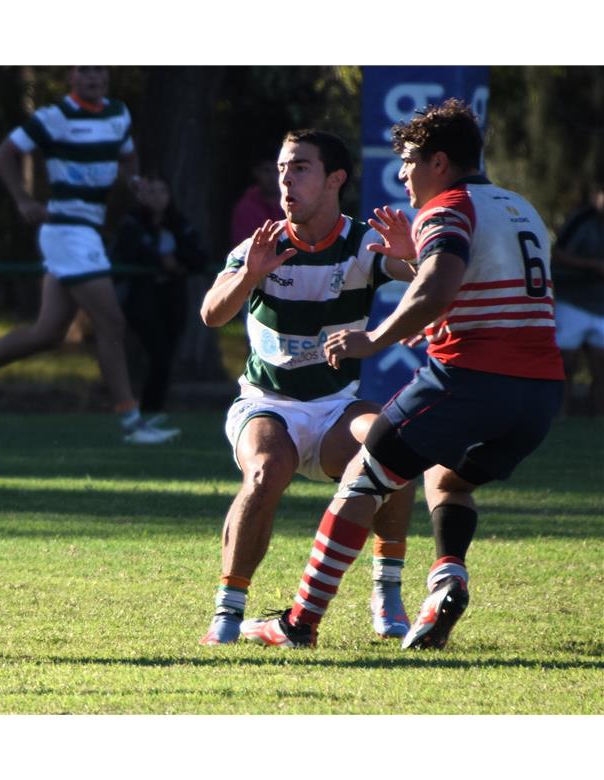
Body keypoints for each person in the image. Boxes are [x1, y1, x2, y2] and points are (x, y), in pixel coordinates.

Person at [241, 99, 565, 649]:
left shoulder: (447, 207)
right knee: (448, 477)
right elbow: (484, 289)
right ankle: (447, 578)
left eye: (410, 161)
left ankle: (298, 624)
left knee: (365, 480)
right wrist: (436, 312)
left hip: (470, 380)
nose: (402, 174)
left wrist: (375, 338)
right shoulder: (520, 207)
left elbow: (438, 281)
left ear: (439, 162)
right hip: (541, 396)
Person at [197, 129, 418, 645]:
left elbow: (422, 277)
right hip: (266, 404)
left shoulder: (361, 242)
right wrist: (248, 276)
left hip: (336, 408)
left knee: (396, 445)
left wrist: (412, 258)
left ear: (334, 178)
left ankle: (387, 590)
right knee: (265, 472)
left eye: (300, 167)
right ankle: (228, 615)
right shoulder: (262, 245)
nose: (286, 179)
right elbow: (211, 314)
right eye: (282, 169)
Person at [0, 66, 177, 444]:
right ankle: (131, 424)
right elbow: (4, 154)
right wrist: (23, 199)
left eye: (100, 69)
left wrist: (134, 182)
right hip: (66, 230)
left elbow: (128, 157)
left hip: (85, 232)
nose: (94, 76)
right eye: (85, 70)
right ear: (71, 78)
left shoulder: (118, 114)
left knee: (47, 333)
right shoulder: (54, 116)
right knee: (111, 323)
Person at [109, 173, 207, 440]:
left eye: (161, 191)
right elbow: (127, 253)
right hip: (141, 296)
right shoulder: (132, 224)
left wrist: (176, 263)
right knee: (158, 350)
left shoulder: (177, 221)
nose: (156, 197)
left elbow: (198, 255)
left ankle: (153, 410)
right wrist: (159, 261)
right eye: (150, 191)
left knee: (167, 351)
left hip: (172, 295)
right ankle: (141, 410)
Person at [552, 183, 604, 415]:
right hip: (573, 300)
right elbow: (557, 254)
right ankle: (560, 412)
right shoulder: (581, 220)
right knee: (566, 362)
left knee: (600, 365)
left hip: (601, 304)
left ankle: (598, 416)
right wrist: (592, 265)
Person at [229, 158, 283, 250]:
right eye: (267, 170)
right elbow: (242, 249)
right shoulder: (245, 209)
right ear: (256, 172)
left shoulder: (296, 204)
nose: (272, 176)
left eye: (277, 170)